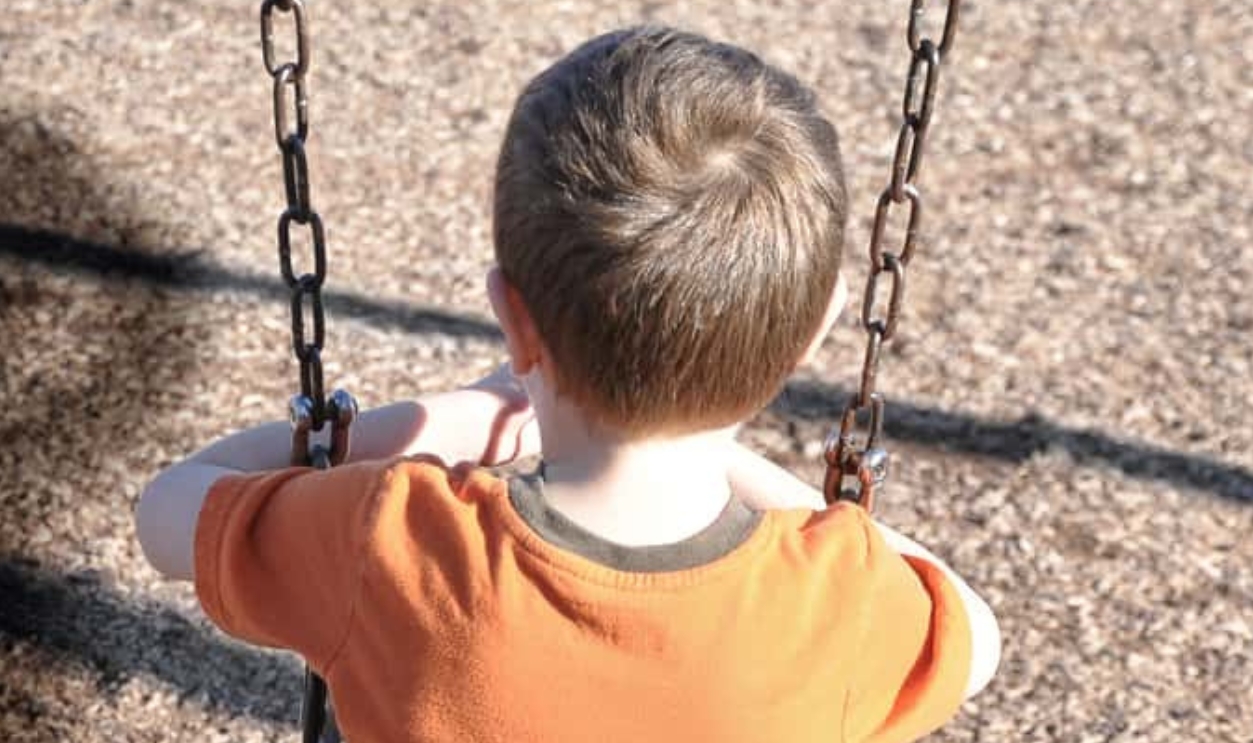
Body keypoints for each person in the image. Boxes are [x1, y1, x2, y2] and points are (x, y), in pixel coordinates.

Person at [137, 26, 999, 742]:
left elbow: (168, 512)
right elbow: (976, 637)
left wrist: (463, 418)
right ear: (812, 335)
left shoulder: (396, 544)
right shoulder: (836, 598)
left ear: (513, 321)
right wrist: (737, 463)